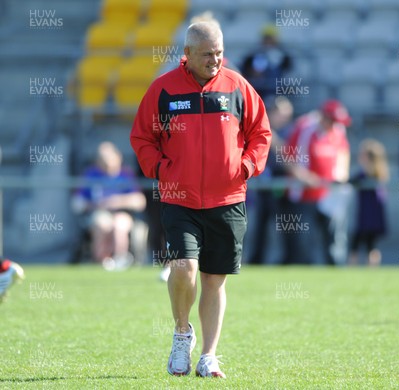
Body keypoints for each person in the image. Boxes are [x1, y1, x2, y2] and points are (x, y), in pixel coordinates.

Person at [130, 21, 271, 378]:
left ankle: (209, 356)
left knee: (214, 279)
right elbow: (142, 138)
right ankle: (181, 333)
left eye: (220, 52)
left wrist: (247, 166)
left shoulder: (238, 87)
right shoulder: (162, 90)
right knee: (183, 268)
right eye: (208, 54)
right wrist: (161, 169)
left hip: (228, 199)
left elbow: (261, 133)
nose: (216, 60)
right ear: (188, 53)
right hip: (180, 197)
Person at [281, 99, 351, 265]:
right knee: (304, 244)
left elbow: (343, 153)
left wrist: (342, 174)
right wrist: (306, 178)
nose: (334, 125)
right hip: (304, 196)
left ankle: (335, 274)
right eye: (332, 121)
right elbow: (287, 159)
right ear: (323, 117)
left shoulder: (338, 131)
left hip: (330, 196)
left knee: (334, 241)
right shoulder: (304, 129)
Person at [72, 142, 146, 270]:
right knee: (102, 223)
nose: (107, 164)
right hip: (98, 212)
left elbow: (140, 201)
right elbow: (77, 203)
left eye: (110, 159)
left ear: (118, 158)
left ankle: (120, 259)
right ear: (98, 161)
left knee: (119, 225)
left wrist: (117, 201)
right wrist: (96, 204)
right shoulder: (90, 174)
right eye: (103, 160)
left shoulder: (126, 174)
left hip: (123, 213)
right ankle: (102, 261)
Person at [247, 95, 294, 265]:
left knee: (286, 223)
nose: (286, 117)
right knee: (261, 223)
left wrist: (275, 139)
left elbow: (291, 157)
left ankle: (288, 258)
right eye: (282, 113)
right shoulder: (259, 129)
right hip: (262, 183)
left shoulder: (290, 131)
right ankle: (257, 258)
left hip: (283, 182)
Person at [348, 139, 389, 267]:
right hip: (369, 217)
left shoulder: (370, 175)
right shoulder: (376, 174)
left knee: (365, 245)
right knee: (367, 244)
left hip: (369, 217)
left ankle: (364, 268)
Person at [240, 24, 293, 100]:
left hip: (278, 94)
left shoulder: (285, 57)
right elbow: (245, 72)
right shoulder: (253, 56)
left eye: (271, 38)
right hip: (258, 92)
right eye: (266, 38)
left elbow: (288, 75)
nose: (268, 41)